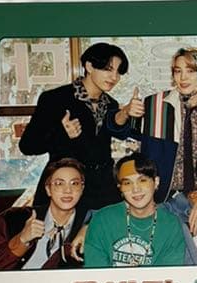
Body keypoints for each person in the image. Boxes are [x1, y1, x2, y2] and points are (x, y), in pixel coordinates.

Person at [19, 41, 143, 210]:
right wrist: (62, 134)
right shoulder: (56, 99)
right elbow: (27, 146)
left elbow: (116, 135)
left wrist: (127, 112)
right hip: (68, 188)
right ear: (89, 66)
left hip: (103, 189)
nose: (114, 77)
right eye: (108, 69)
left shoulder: (111, 104)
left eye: (118, 72)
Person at [130, 47, 197, 202]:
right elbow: (124, 138)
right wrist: (126, 113)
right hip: (159, 198)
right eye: (178, 71)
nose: (183, 77)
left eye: (191, 71)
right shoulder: (153, 105)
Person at [83, 153, 185, 268]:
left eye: (142, 180)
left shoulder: (171, 225)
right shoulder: (102, 221)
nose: (136, 189)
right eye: (127, 183)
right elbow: (96, 272)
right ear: (120, 187)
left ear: (156, 182)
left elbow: (168, 275)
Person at [0, 158, 87, 270]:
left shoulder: (89, 224)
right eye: (59, 183)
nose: (67, 190)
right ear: (48, 189)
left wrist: (89, 228)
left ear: (82, 189)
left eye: (75, 183)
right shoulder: (12, 217)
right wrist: (22, 240)